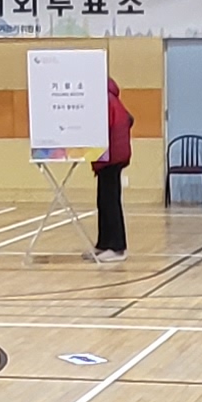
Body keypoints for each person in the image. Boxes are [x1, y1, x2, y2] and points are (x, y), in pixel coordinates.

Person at [89, 75, 132, 263]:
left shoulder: (105, 101)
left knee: (110, 202)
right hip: (114, 155)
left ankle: (117, 247)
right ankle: (104, 244)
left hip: (111, 157)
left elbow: (99, 128)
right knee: (104, 200)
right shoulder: (112, 99)